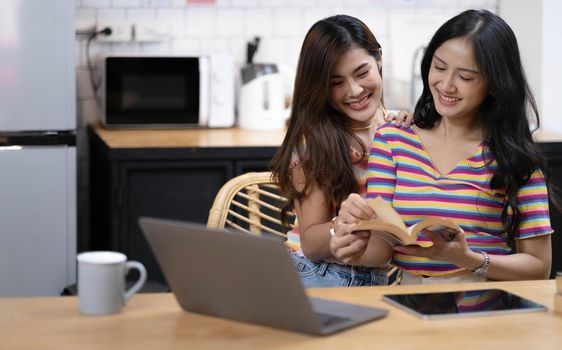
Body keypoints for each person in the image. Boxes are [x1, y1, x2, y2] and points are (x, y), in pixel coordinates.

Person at [330, 9, 557, 284]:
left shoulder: (515, 157)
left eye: (466, 77)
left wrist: (467, 258)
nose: (446, 85)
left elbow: (539, 267)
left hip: (487, 314)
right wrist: (348, 245)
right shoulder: (392, 140)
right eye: (439, 67)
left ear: (495, 85)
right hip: (410, 305)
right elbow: (379, 252)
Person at [270, 14, 412, 288]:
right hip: (316, 271)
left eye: (362, 73)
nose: (355, 90)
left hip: (373, 278)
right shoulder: (314, 141)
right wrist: (341, 225)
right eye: (336, 83)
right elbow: (311, 243)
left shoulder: (403, 128)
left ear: (378, 60)